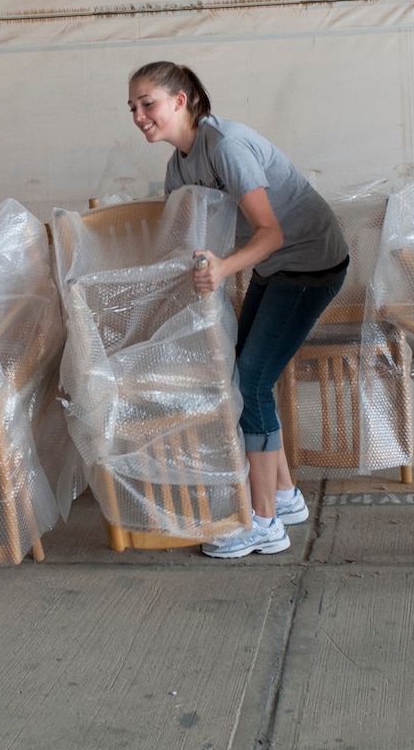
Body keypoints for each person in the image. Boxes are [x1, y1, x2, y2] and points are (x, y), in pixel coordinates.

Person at [127, 62, 350, 559]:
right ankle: (286, 496)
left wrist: (225, 268)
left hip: (309, 261)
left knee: (250, 382)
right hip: (274, 268)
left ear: (180, 100)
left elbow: (272, 232)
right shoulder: (178, 168)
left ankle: (264, 522)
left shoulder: (225, 147)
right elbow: (186, 241)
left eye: (149, 104)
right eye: (133, 109)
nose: (140, 116)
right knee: (243, 376)